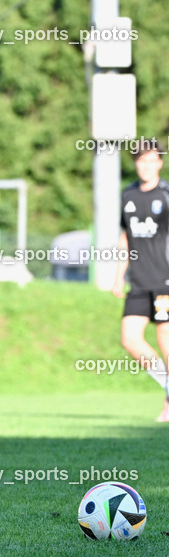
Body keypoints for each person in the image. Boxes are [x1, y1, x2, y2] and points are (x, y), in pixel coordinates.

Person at [112, 140, 169, 421]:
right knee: (129, 339)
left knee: (165, 339)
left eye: (151, 160)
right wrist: (118, 276)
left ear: (159, 162)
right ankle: (168, 387)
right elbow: (125, 238)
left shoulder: (167, 194)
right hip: (138, 282)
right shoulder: (128, 195)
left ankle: (168, 404)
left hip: (164, 281)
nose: (145, 165)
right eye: (140, 160)